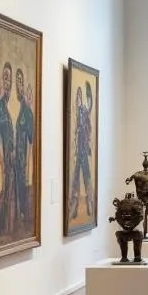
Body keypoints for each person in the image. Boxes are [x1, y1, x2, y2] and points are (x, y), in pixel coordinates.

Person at [0, 62, 16, 236]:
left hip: (15, 157)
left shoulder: (14, 105)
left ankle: (9, 222)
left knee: (12, 192)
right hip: (4, 157)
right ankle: (2, 222)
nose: (7, 81)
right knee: (5, 191)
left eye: (9, 78)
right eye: (5, 77)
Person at [68, 82, 95, 219]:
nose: (78, 99)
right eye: (77, 96)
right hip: (78, 151)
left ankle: (90, 201)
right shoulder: (76, 113)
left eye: (79, 96)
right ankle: (74, 205)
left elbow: (88, 126)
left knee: (87, 176)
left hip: (84, 149)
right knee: (75, 179)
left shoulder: (84, 110)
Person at [14, 67, 35, 233]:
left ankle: (24, 214)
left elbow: (32, 138)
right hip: (10, 159)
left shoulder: (27, 110)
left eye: (21, 81)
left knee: (22, 188)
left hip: (22, 159)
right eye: (17, 81)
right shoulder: (9, 106)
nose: (18, 85)